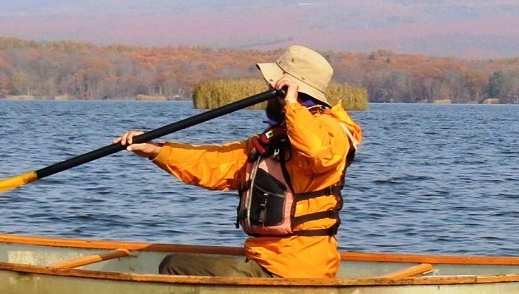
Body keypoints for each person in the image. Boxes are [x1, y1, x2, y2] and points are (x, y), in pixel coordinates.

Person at [117, 45, 363, 279]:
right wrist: (155, 150)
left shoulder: (331, 130)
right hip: (267, 259)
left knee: (173, 266)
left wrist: (290, 104)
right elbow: (215, 163)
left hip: (294, 268)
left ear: (290, 90)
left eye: (273, 86)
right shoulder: (275, 138)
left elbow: (319, 153)